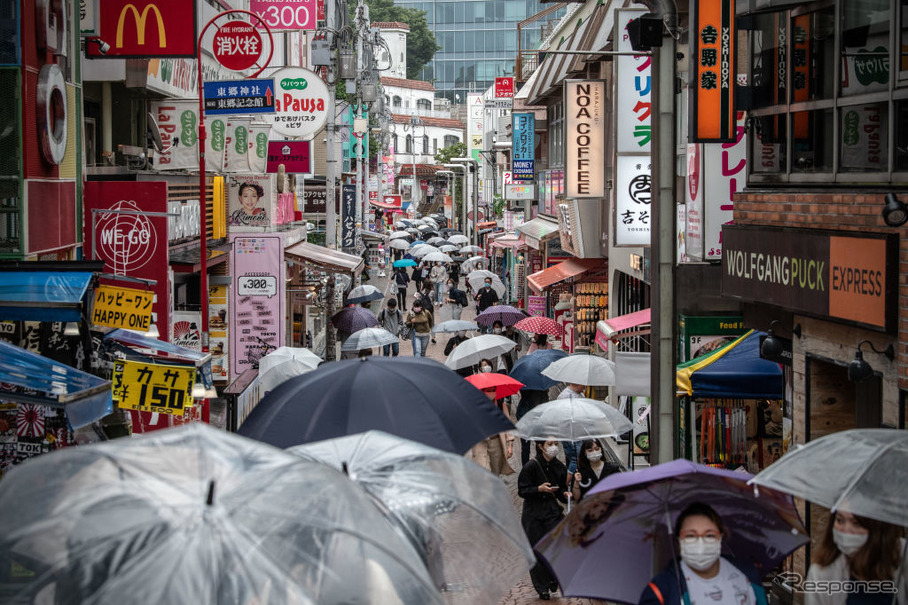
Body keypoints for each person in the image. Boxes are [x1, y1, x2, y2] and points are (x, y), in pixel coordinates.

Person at [639, 502, 768, 605]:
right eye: (690, 535)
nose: (700, 543)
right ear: (679, 541)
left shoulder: (747, 576)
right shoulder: (662, 589)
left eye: (709, 535)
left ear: (720, 538)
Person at [805, 510, 908, 605]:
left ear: (877, 528)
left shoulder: (902, 554)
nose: (846, 530)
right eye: (840, 520)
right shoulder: (821, 573)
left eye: (856, 523)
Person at [518, 439, 570, 600]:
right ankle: (542, 587)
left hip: (552, 512)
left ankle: (552, 577)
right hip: (533, 514)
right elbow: (522, 490)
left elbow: (562, 490)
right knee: (536, 550)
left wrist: (565, 494)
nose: (554, 447)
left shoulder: (559, 467)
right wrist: (538, 489)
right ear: (541, 446)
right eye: (550, 444)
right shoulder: (530, 467)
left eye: (556, 443)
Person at [467, 387, 516, 477]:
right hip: (480, 443)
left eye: (493, 390)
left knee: (495, 472)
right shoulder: (474, 406)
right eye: (488, 391)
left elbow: (508, 426)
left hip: (496, 442)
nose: (491, 393)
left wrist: (510, 445)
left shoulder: (501, 406)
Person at [557, 383, 587, 474]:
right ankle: (567, 481)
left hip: (579, 433)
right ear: (577, 383)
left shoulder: (581, 395)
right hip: (570, 434)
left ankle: (573, 480)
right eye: (583, 385)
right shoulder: (564, 397)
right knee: (576, 459)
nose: (585, 387)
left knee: (573, 459)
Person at [515, 389, 549, 467]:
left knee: (525, 447)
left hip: (524, 415)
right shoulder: (542, 387)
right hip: (537, 418)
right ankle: (540, 467)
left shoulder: (524, 381)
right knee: (540, 445)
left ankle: (526, 469)